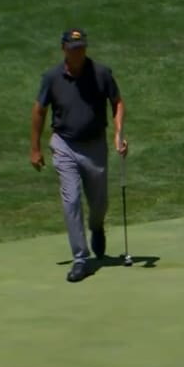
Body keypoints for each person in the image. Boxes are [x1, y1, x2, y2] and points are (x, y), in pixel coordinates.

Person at [30, 28, 127, 282]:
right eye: (74, 48)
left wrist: (118, 133)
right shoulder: (52, 77)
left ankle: (96, 227)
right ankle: (81, 259)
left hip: (95, 147)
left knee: (99, 203)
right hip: (64, 144)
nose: (79, 52)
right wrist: (36, 148)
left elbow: (117, 102)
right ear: (64, 49)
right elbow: (39, 111)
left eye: (82, 47)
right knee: (71, 200)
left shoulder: (101, 74)